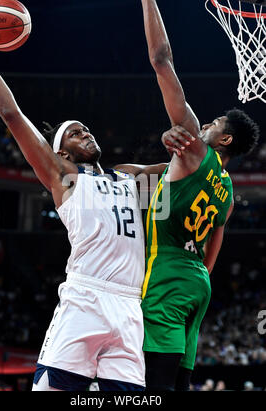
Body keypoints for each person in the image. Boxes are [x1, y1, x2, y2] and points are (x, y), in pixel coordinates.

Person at [0, 3, 185, 391]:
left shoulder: (127, 176)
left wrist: (181, 142)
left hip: (129, 306)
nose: (85, 132)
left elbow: (184, 164)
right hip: (84, 298)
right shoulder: (63, 176)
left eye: (86, 128)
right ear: (62, 152)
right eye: (74, 133)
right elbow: (12, 114)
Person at [138, 0, 260, 391]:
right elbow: (214, 247)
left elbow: (161, 61)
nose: (203, 123)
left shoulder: (195, 147)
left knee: (152, 379)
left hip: (169, 271)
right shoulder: (226, 189)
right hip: (198, 282)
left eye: (213, 123)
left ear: (223, 139)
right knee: (182, 379)